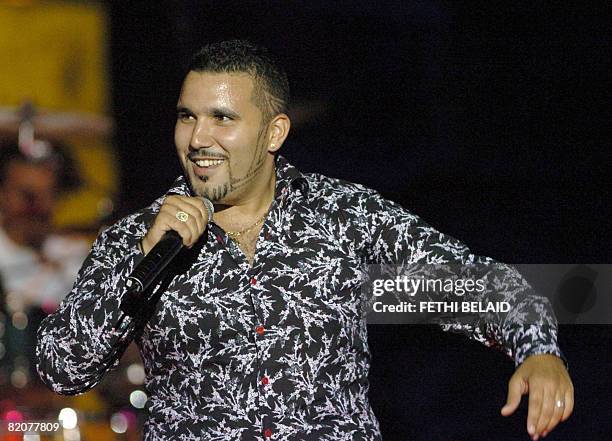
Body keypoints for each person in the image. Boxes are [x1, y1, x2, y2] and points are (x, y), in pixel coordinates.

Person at [36, 40, 573, 441]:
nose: (198, 139)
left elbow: (481, 286)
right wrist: (143, 265)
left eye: (222, 119)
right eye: (187, 117)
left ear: (274, 132)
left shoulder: (344, 216)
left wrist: (540, 350)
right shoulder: (140, 237)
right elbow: (62, 368)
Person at [0, 139, 89, 387]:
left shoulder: (77, 255)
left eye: (47, 194)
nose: (36, 207)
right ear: (3, 194)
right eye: (28, 195)